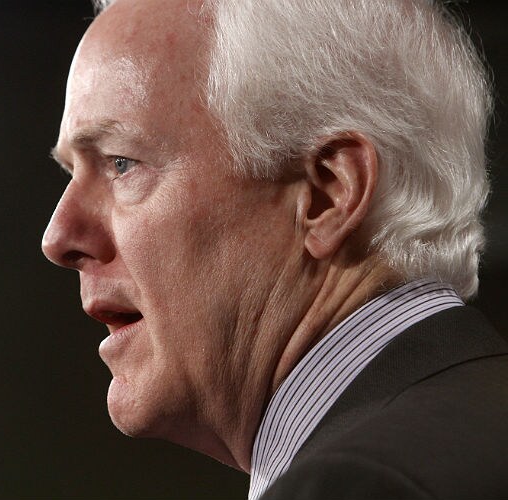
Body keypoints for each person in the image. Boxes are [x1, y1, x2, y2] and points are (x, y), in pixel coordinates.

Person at [41, 0, 508, 498]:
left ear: (328, 195)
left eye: (121, 163)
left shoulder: (359, 485)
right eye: (71, 172)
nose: (57, 237)